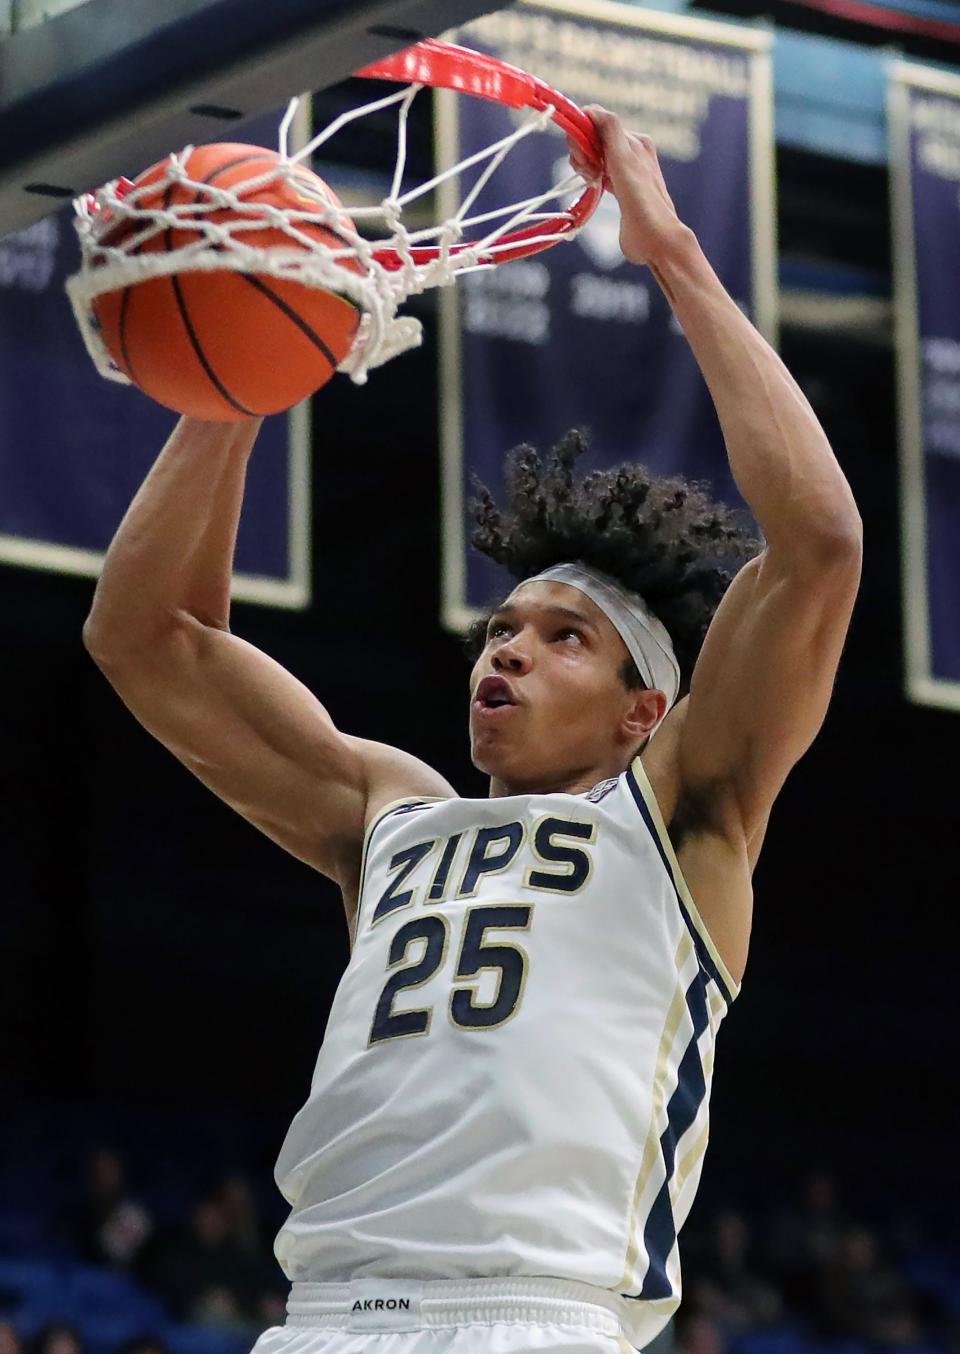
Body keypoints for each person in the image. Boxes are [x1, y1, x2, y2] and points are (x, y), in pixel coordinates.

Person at [82, 108, 863, 1354]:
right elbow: (148, 634)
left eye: (563, 636)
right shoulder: (392, 813)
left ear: (642, 711)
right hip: (325, 1318)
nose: (507, 647)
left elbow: (819, 546)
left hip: (537, 1317)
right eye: (500, 627)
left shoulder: (683, 815)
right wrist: (250, 356)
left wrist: (669, 250)